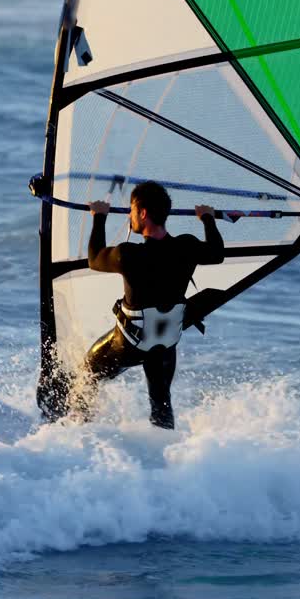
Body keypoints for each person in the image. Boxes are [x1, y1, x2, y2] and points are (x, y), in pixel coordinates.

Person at [68, 181, 225, 429]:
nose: (129, 216)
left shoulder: (128, 255)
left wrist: (99, 217)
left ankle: (77, 430)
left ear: (143, 213)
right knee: (161, 401)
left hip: (130, 344)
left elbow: (94, 259)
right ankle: (165, 455)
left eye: (131, 210)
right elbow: (217, 253)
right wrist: (207, 218)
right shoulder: (187, 246)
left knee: (87, 373)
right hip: (165, 343)